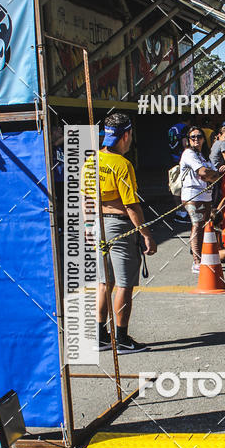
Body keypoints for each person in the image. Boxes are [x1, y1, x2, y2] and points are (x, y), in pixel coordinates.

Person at [82, 112, 157, 353]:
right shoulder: (123, 165)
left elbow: (85, 197)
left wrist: (87, 226)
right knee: (124, 284)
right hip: (119, 226)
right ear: (126, 135)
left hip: (97, 224)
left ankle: (99, 335)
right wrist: (146, 234)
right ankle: (122, 339)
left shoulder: (91, 161)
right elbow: (131, 206)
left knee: (105, 282)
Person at [180, 125, 224, 272]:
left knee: (204, 225)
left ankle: (202, 256)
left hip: (206, 195)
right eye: (193, 137)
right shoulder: (188, 154)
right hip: (193, 195)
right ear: (188, 140)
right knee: (197, 225)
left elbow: (211, 174)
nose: (196, 140)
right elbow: (204, 172)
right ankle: (197, 261)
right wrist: (213, 175)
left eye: (199, 137)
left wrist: (213, 175)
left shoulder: (203, 156)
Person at [167, 122, 190, 223]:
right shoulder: (184, 128)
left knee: (174, 185)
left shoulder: (172, 128)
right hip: (180, 159)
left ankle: (179, 211)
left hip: (172, 158)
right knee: (181, 186)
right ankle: (183, 212)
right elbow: (185, 143)